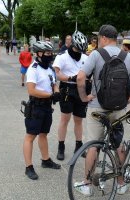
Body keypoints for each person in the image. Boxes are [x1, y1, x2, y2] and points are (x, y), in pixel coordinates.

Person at [76, 24, 130, 196]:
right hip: (119, 108)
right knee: (118, 144)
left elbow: (80, 78)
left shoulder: (95, 54)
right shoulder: (128, 57)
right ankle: (121, 183)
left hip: (97, 108)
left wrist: (83, 97)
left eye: (97, 38)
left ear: (103, 38)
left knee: (93, 145)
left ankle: (87, 184)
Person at [23, 41, 61, 180]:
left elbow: (54, 83)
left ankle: (45, 160)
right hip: (36, 107)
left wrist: (56, 92)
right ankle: (29, 167)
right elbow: (31, 90)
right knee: (30, 136)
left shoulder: (50, 68)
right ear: (39, 54)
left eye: (51, 53)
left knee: (43, 134)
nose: (50, 56)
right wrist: (50, 95)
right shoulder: (33, 69)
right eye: (47, 53)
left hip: (46, 107)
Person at [52, 31, 89, 161]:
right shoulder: (62, 56)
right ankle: (61, 146)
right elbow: (57, 73)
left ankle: (78, 146)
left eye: (82, 49)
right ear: (72, 45)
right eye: (78, 48)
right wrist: (71, 77)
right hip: (67, 88)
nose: (79, 52)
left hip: (81, 89)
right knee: (65, 119)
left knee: (79, 120)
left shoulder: (85, 57)